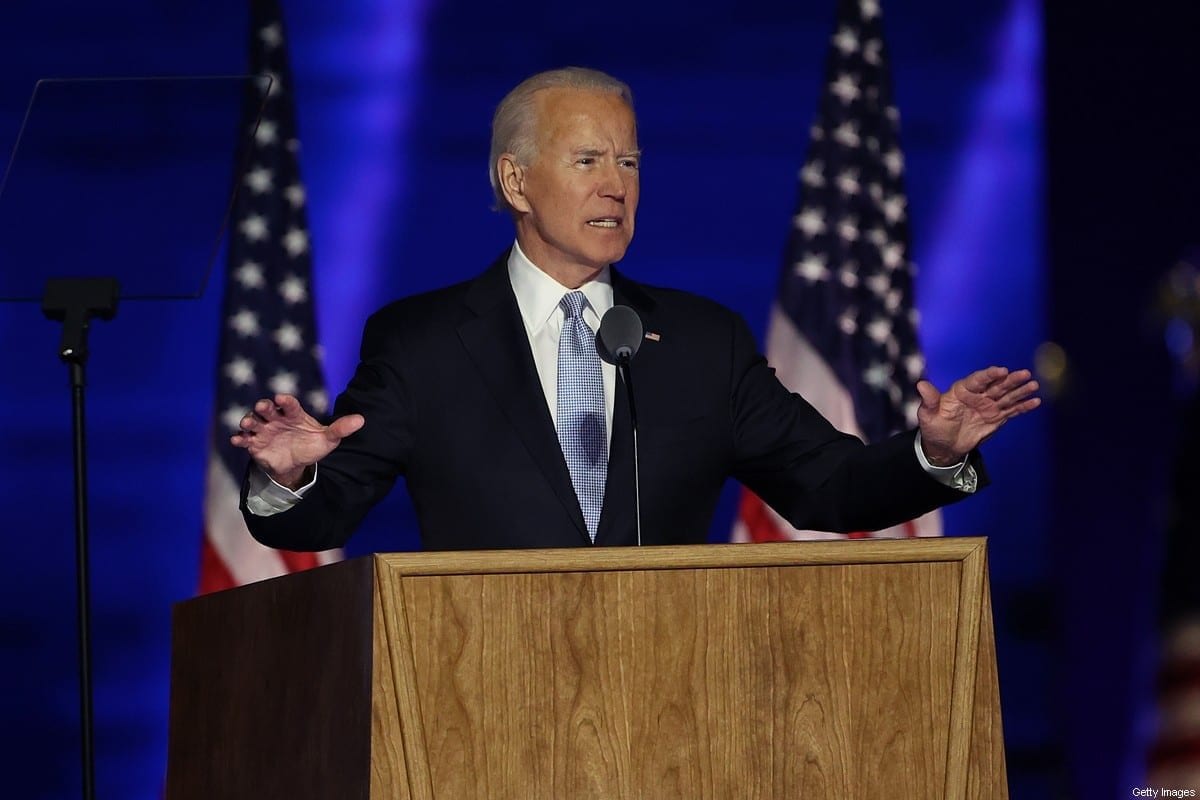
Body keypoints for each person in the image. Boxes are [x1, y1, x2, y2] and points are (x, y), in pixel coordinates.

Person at [233, 67, 1039, 552]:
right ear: (516, 182)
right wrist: (294, 477)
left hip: (671, 700)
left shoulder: (700, 342)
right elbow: (321, 519)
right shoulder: (422, 343)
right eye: (586, 160)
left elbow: (829, 486)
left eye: (627, 160)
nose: (615, 185)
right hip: (479, 697)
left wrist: (932, 453)